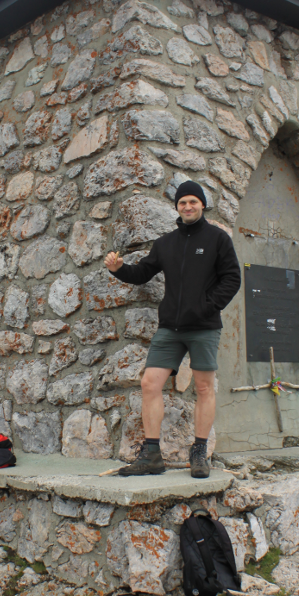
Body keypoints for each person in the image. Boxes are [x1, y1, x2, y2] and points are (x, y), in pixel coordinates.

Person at [104, 180, 241, 478]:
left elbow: (232, 278)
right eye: (182, 203)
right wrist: (119, 270)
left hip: (203, 326)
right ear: (177, 207)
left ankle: (199, 452)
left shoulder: (218, 239)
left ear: (202, 204)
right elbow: (142, 272)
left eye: (193, 201)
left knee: (204, 387)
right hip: (170, 328)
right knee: (150, 384)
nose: (188, 207)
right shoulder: (166, 243)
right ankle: (152, 455)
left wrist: (207, 306)